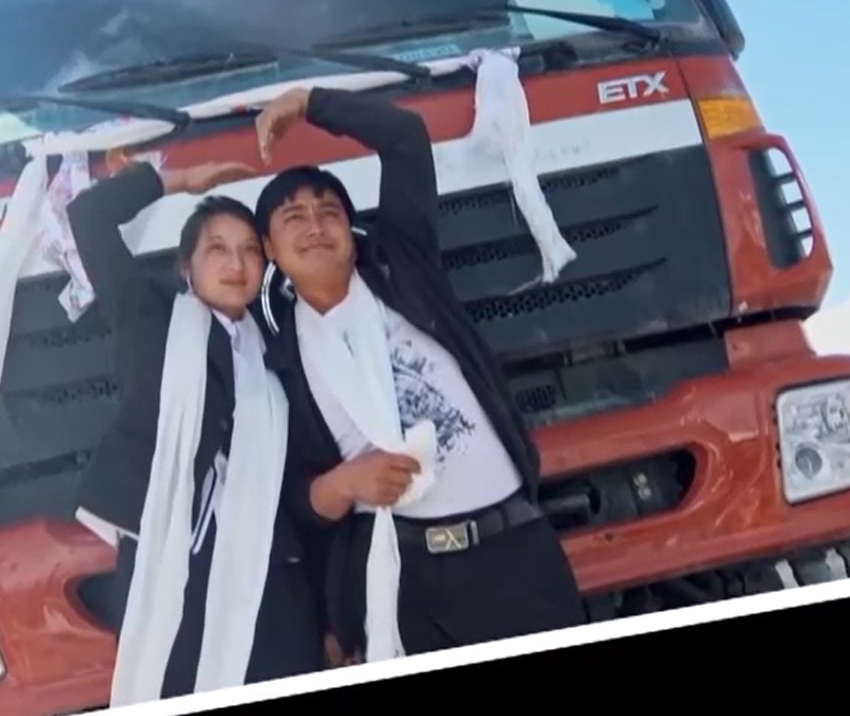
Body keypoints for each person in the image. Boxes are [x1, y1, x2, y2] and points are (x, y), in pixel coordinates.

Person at [250, 84, 588, 664]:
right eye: (294, 218)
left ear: (352, 235)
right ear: (269, 248)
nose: (315, 227)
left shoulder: (405, 269)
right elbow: (298, 503)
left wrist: (309, 103)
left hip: (513, 553)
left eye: (329, 213)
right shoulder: (279, 358)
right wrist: (345, 484)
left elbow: (404, 138)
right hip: (404, 581)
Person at [67, 157, 330, 704]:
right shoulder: (150, 319)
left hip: (268, 571)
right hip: (173, 562)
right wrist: (180, 180)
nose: (235, 264)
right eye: (217, 249)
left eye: (249, 251)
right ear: (185, 267)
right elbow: (89, 214)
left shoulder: (279, 345)